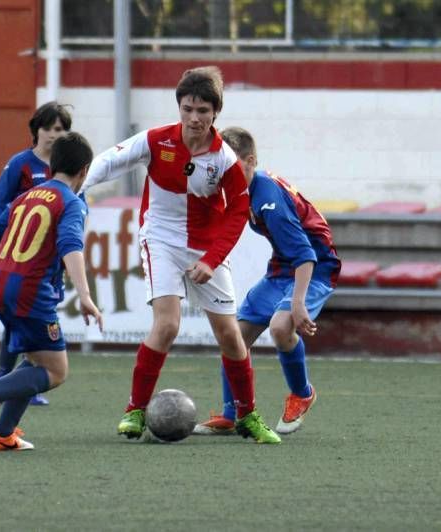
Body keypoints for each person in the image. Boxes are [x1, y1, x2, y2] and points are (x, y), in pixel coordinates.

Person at [81, 66, 280, 444]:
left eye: (202, 110)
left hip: (206, 250)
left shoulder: (224, 159)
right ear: (179, 107)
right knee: (168, 324)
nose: (194, 118)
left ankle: (248, 415)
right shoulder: (156, 140)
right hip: (160, 240)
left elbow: (238, 212)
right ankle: (135, 411)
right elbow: (110, 160)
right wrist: (81, 188)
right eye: (187, 108)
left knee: (230, 336)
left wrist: (211, 258)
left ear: (214, 113)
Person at [0, 132, 103, 451]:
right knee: (56, 369)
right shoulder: (71, 202)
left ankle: (3, 433)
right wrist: (86, 296)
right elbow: (71, 247)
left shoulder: (28, 196)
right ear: (84, 171)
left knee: (36, 358)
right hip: (29, 292)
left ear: (51, 168)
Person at [193, 127, 341, 436]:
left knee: (280, 327)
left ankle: (302, 394)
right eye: (222, 168)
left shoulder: (269, 200)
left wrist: (298, 303)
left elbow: (305, 254)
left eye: (233, 167)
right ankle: (231, 414)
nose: (226, 174)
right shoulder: (238, 190)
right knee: (233, 338)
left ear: (250, 161)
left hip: (314, 267)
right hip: (281, 268)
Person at [0, 101, 72, 407]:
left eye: (60, 129)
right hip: (19, 257)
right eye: (48, 128)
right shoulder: (21, 163)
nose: (53, 134)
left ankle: (23, 383)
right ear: (36, 130)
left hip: (49, 262)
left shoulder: (67, 171)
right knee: (18, 322)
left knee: (32, 320)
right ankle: (4, 377)